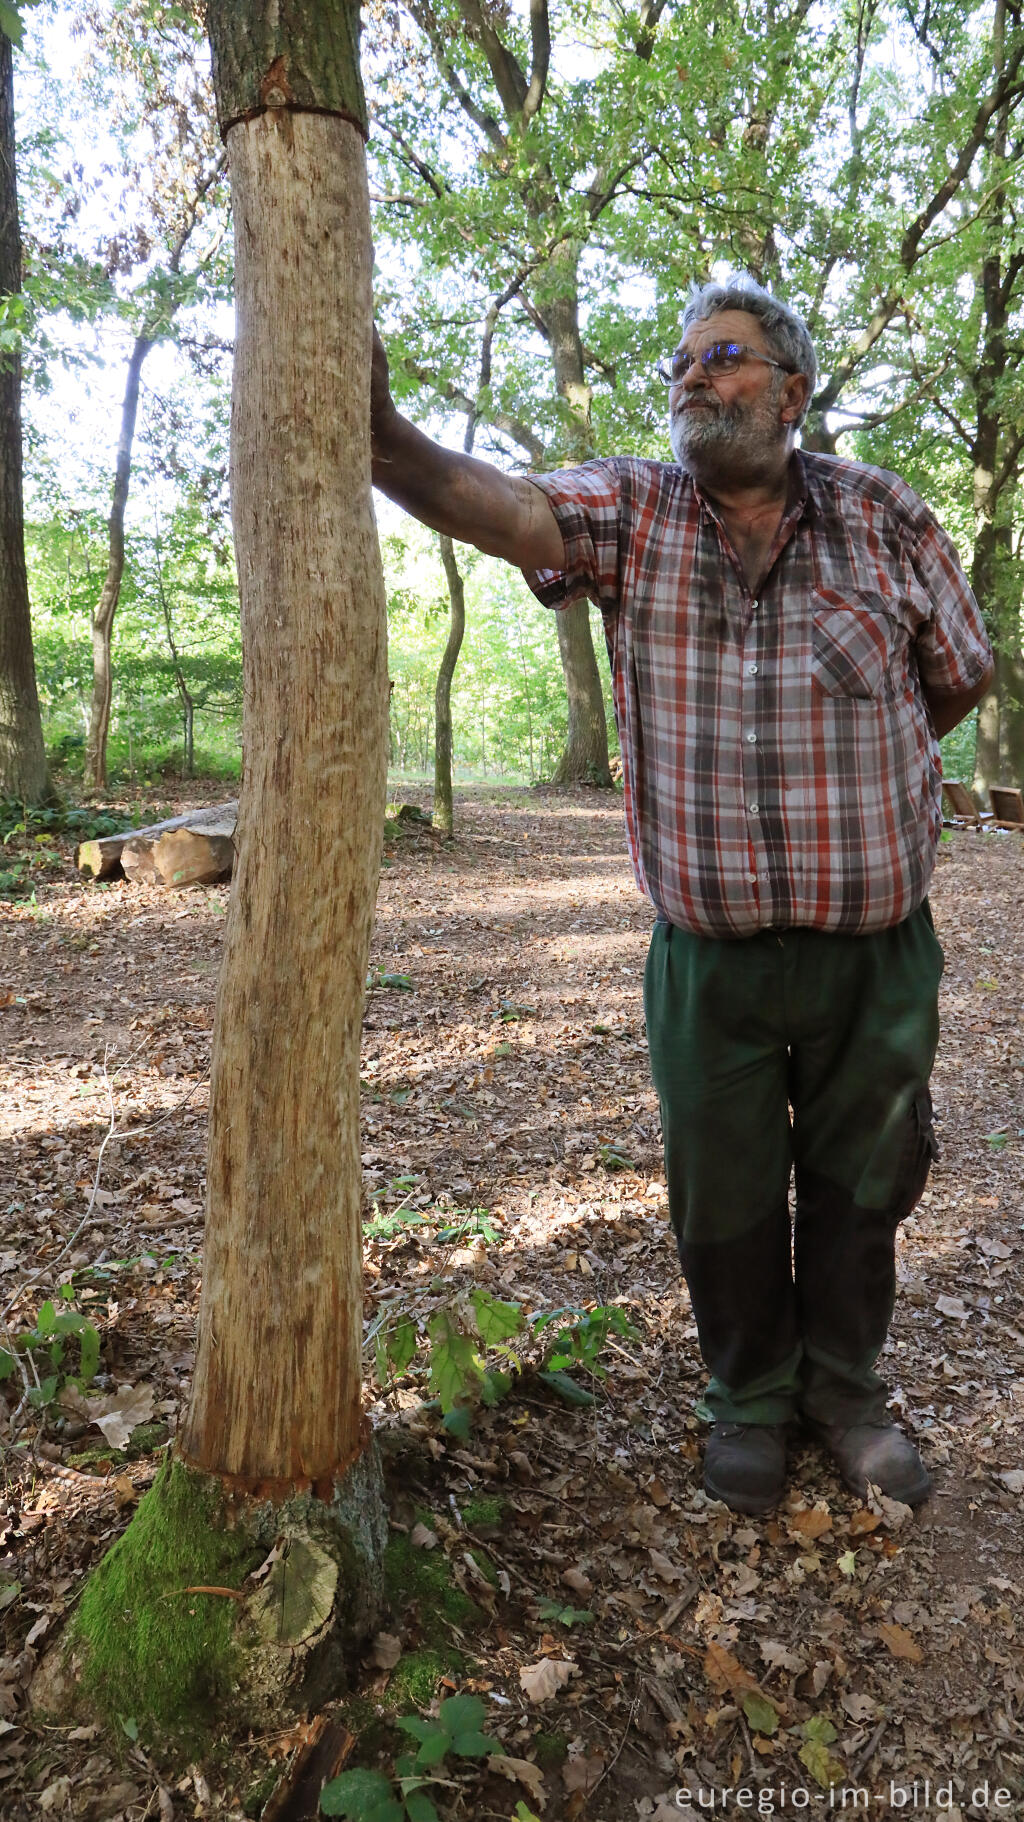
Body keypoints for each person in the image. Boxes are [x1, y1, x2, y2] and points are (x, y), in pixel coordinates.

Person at [370, 273, 994, 1515]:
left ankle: (846, 1390)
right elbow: (508, 508)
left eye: (722, 355)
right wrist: (383, 435)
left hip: (872, 950)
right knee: (720, 1186)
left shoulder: (887, 517)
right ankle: (749, 1398)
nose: (693, 376)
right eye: (681, 364)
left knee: (867, 1179)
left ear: (792, 388)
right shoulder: (638, 508)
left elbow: (959, 675)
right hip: (705, 957)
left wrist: (874, 780)